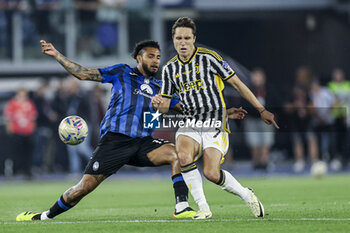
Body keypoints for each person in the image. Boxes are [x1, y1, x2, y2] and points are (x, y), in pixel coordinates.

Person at [16, 39, 198, 221]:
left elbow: (188, 109)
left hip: (144, 143)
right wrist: (57, 55)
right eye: (151, 56)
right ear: (138, 58)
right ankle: (44, 216)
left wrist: (167, 108)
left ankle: (181, 206)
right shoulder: (121, 72)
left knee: (177, 154)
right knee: (83, 188)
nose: (156, 61)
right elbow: (83, 74)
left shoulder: (162, 88)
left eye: (158, 57)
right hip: (115, 141)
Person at [153, 17, 279, 219]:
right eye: (178, 38)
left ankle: (246, 194)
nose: (182, 43)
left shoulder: (210, 58)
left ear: (194, 38)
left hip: (214, 122)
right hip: (189, 122)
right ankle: (204, 208)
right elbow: (166, 106)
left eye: (187, 38)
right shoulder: (169, 69)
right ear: (173, 39)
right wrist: (158, 103)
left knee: (211, 173)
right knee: (183, 156)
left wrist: (260, 109)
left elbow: (237, 84)